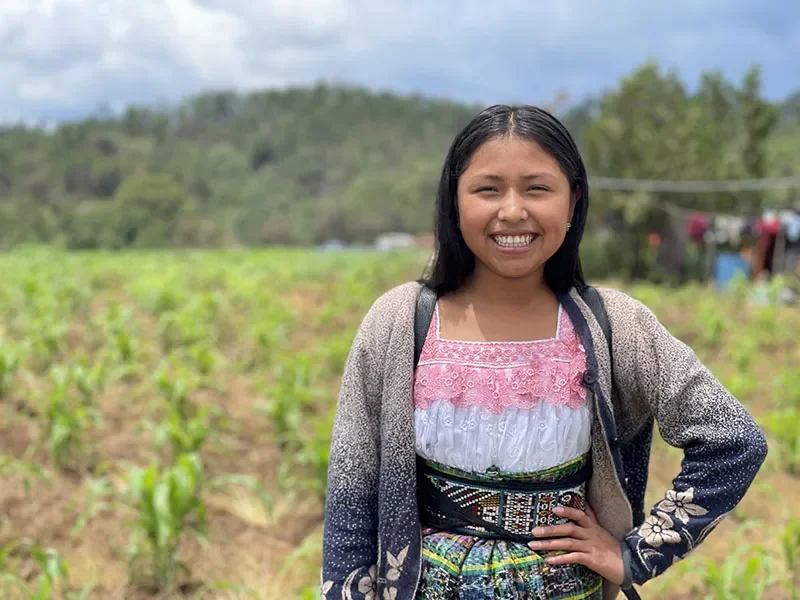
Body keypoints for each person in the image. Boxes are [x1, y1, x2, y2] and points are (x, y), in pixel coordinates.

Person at [320, 105, 768, 600]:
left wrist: (637, 554)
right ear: (454, 200)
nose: (513, 211)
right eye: (488, 189)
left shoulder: (616, 325)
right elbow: (351, 494)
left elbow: (734, 440)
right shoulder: (399, 323)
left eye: (537, 188)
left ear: (572, 201)